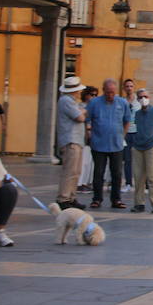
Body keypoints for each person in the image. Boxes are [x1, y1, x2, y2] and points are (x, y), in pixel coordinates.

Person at [87, 78, 131, 210]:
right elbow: (88, 119)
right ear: (103, 90)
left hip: (116, 144)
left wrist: (123, 135)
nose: (110, 95)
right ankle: (97, 198)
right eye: (108, 92)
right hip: (98, 143)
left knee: (117, 173)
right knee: (98, 172)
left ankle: (116, 199)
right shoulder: (94, 103)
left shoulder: (122, 102)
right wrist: (89, 133)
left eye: (112, 92)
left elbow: (127, 120)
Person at [129, 88, 153, 213]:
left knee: (151, 176)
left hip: (151, 146)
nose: (143, 99)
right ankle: (139, 203)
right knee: (138, 177)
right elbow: (133, 126)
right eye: (140, 97)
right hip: (138, 146)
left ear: (149, 97)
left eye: (145, 96)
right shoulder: (137, 113)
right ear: (138, 99)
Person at [56, 76, 87, 210]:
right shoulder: (66, 101)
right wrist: (84, 111)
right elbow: (80, 117)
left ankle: (71, 196)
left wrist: (82, 110)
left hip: (77, 140)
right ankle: (63, 198)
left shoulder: (73, 102)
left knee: (76, 171)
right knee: (70, 170)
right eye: (78, 90)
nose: (80, 93)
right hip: (70, 140)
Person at [77, 86, 97, 191]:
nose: (93, 97)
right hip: (83, 136)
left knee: (89, 162)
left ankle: (86, 182)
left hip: (92, 136)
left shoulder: (94, 107)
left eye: (95, 95)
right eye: (91, 94)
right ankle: (80, 183)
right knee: (83, 161)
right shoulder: (82, 106)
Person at [121, 78, 137, 193]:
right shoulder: (121, 101)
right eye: (127, 86)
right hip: (125, 133)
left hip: (137, 133)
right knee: (127, 160)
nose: (129, 88)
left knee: (139, 159)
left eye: (131, 86)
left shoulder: (139, 102)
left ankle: (141, 183)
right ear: (124, 88)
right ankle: (128, 183)